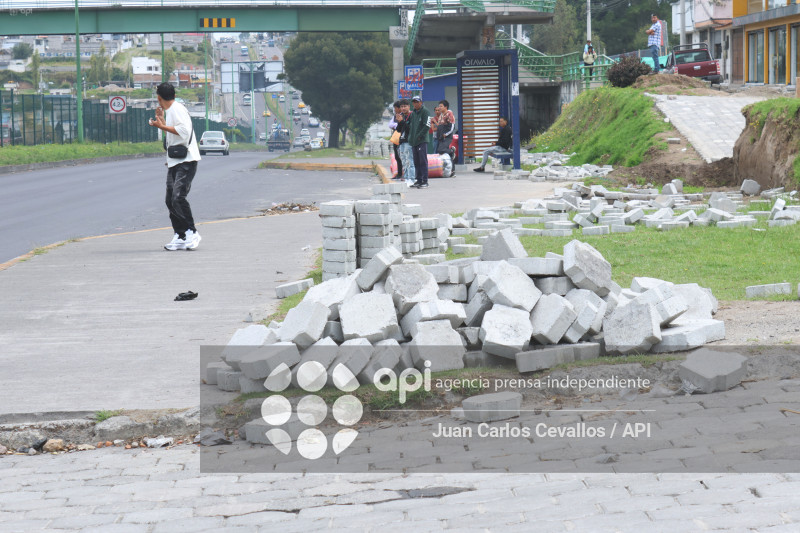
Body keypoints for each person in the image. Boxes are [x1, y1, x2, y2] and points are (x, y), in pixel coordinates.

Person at [149, 82, 202, 251]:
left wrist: (161, 126)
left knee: (178, 197)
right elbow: (174, 131)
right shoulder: (171, 110)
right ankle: (180, 235)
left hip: (186, 161)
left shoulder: (177, 108)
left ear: (159, 97)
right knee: (170, 199)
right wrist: (162, 121)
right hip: (175, 160)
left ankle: (192, 232)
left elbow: (184, 132)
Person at [408, 95, 432, 189]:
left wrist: (419, 136)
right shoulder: (413, 113)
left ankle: (425, 181)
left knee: (423, 161)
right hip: (414, 141)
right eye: (414, 102)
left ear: (421, 102)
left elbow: (427, 126)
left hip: (421, 140)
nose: (415, 104)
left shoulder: (425, 111)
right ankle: (418, 180)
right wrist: (411, 137)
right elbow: (411, 126)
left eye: (417, 102)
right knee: (416, 161)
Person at [395, 99, 415, 187]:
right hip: (402, 141)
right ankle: (406, 178)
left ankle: (412, 179)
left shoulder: (412, 115)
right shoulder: (401, 115)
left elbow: (410, 128)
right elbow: (399, 130)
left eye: (405, 106)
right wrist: (399, 122)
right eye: (401, 107)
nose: (403, 108)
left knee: (409, 161)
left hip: (408, 141)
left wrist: (402, 121)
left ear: (409, 106)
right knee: (403, 161)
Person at [434, 100, 456, 178]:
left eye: (441, 106)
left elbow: (452, 126)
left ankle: (451, 151)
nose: (439, 108)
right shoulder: (441, 115)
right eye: (439, 106)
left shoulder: (449, 113)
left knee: (441, 150)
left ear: (445, 107)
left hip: (446, 137)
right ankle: (451, 171)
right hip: (440, 137)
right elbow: (440, 126)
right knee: (444, 154)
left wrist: (445, 134)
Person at [388, 101, 403, 180]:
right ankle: (399, 173)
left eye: (395, 108)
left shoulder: (403, 116)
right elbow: (390, 124)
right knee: (397, 156)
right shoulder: (395, 116)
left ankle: (403, 174)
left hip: (402, 138)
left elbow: (398, 125)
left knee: (402, 157)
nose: (394, 110)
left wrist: (395, 125)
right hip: (396, 138)